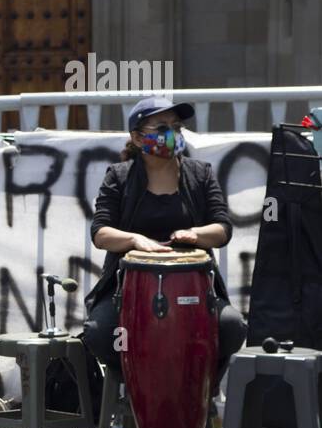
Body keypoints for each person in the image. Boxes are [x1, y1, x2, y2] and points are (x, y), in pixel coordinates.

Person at [83, 96, 247, 381]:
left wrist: (195, 234)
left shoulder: (200, 174)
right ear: (137, 137)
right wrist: (134, 239)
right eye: (161, 127)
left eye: (176, 126)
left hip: (193, 285)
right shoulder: (119, 177)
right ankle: (135, 391)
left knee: (231, 328)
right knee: (100, 334)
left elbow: (222, 229)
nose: (171, 134)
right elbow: (101, 233)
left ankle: (199, 391)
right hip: (130, 287)